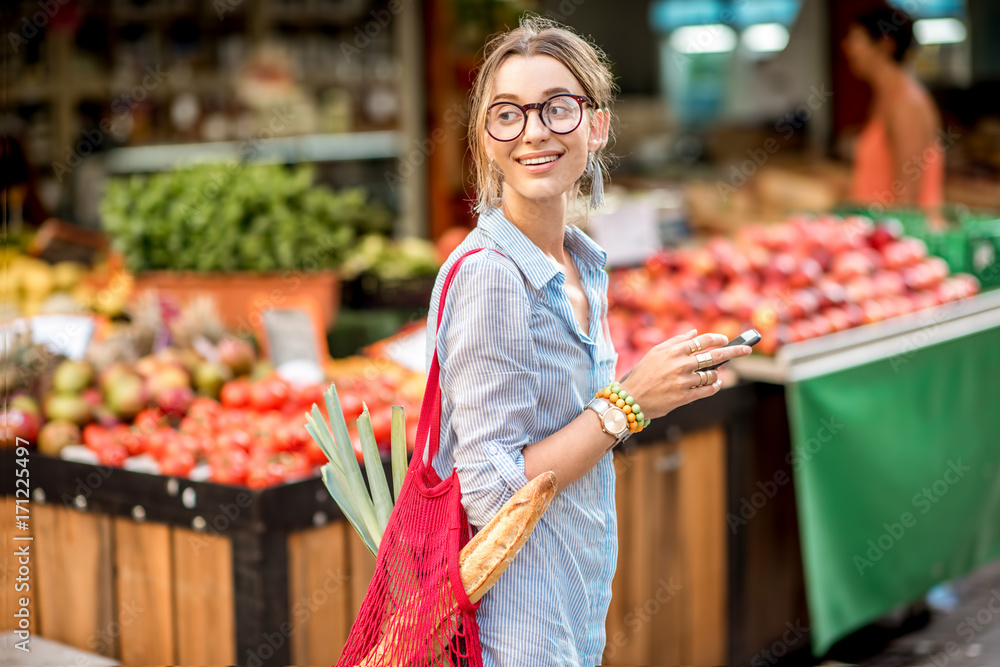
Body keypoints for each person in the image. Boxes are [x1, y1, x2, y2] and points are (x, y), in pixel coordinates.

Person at [424, 16, 752, 665]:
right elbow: (490, 491)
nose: (535, 130)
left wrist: (654, 385)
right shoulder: (492, 276)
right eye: (507, 114)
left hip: (574, 599)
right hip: (514, 627)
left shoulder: (582, 262)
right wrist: (625, 404)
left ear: (596, 125)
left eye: (557, 107)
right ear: (486, 141)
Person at [842, 3, 944, 210]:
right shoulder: (884, 99)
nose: (847, 47)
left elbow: (907, 199)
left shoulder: (906, 105)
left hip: (898, 235)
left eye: (856, 39)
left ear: (885, 45)